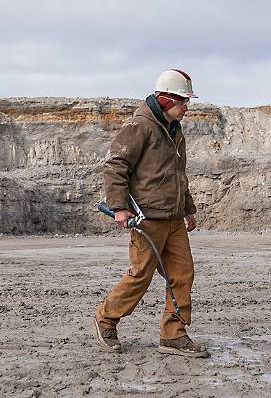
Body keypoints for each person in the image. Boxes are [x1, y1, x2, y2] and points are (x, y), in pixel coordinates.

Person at [93, 69, 208, 358]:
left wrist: (188, 210)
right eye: (183, 101)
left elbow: (178, 175)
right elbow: (115, 165)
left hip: (173, 219)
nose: (187, 107)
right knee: (140, 275)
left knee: (182, 275)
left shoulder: (174, 129)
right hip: (147, 219)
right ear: (165, 98)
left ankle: (174, 336)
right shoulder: (140, 126)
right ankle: (106, 319)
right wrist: (120, 207)